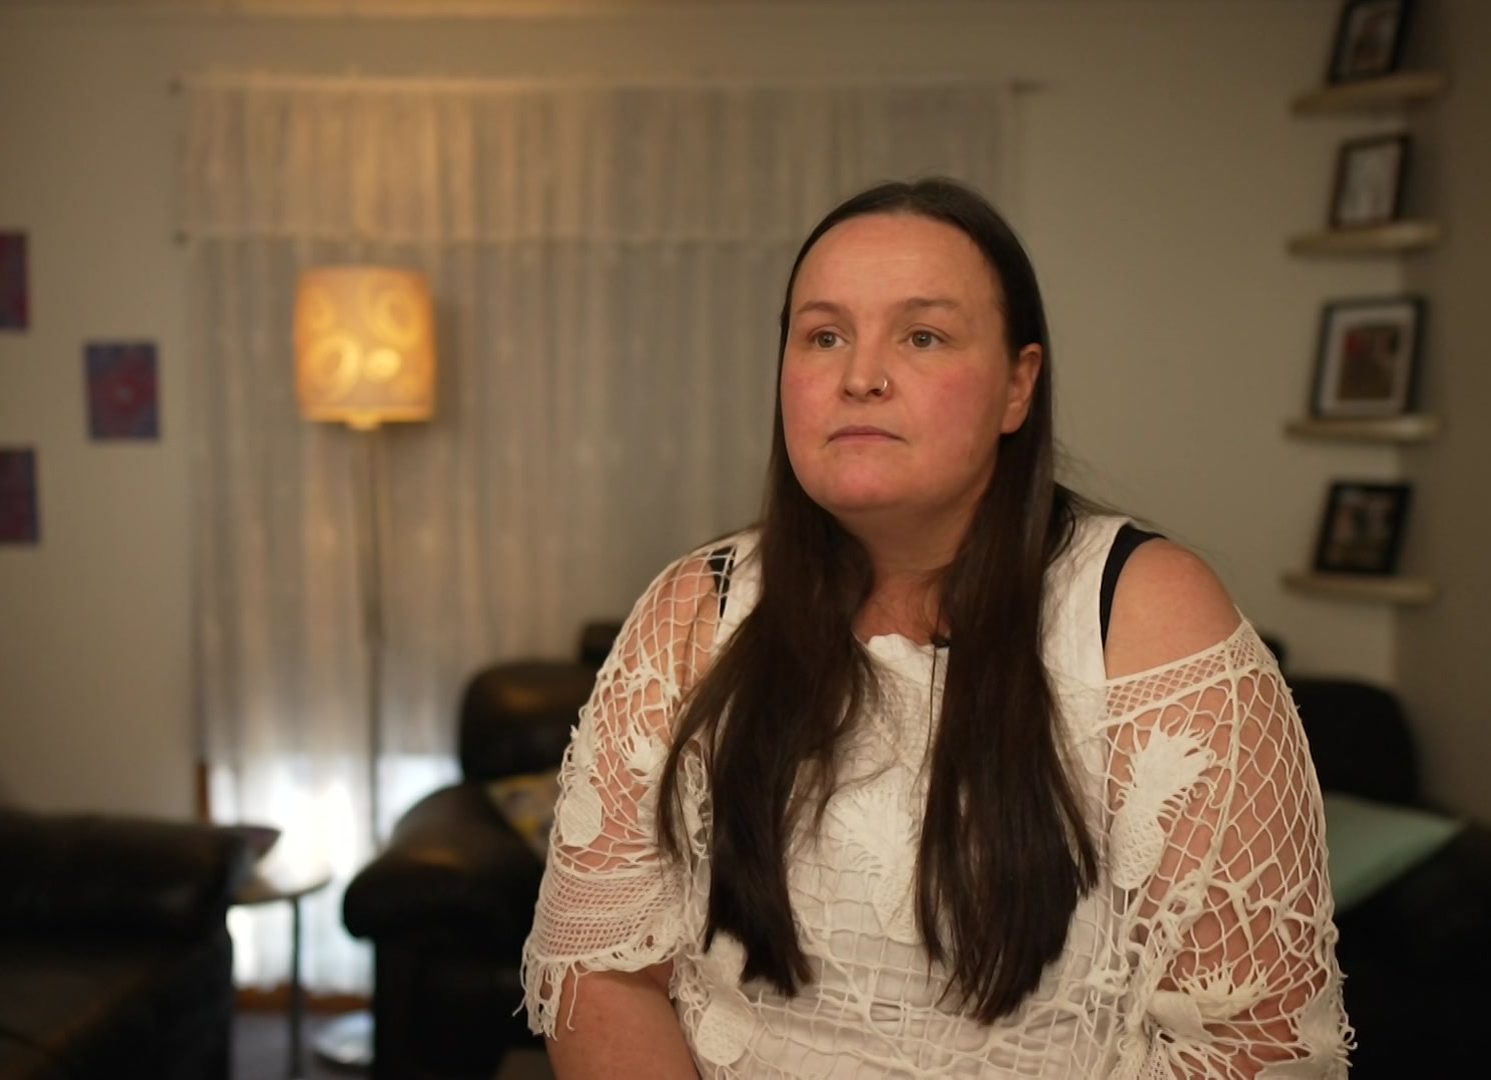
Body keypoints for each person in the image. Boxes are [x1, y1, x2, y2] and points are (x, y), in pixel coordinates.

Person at [521, 177, 1351, 1078]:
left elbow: (1254, 1045)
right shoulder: (695, 607)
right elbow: (599, 965)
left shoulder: (1147, 614)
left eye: (922, 336)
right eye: (824, 335)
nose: (860, 376)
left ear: (1017, 387)